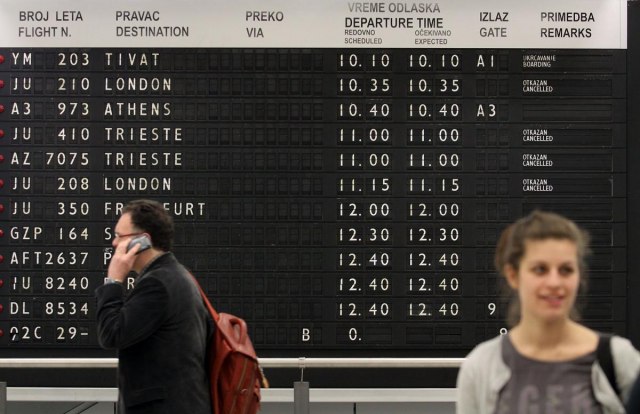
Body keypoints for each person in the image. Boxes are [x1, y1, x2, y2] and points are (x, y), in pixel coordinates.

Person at [456, 210, 640, 414]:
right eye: (540, 269)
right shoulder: (480, 367)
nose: (554, 282)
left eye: (566, 270)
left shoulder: (618, 360)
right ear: (513, 275)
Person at [95, 199, 213, 414]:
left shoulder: (156, 284)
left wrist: (113, 281)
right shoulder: (179, 276)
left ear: (143, 240)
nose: (114, 243)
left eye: (120, 236)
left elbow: (111, 333)